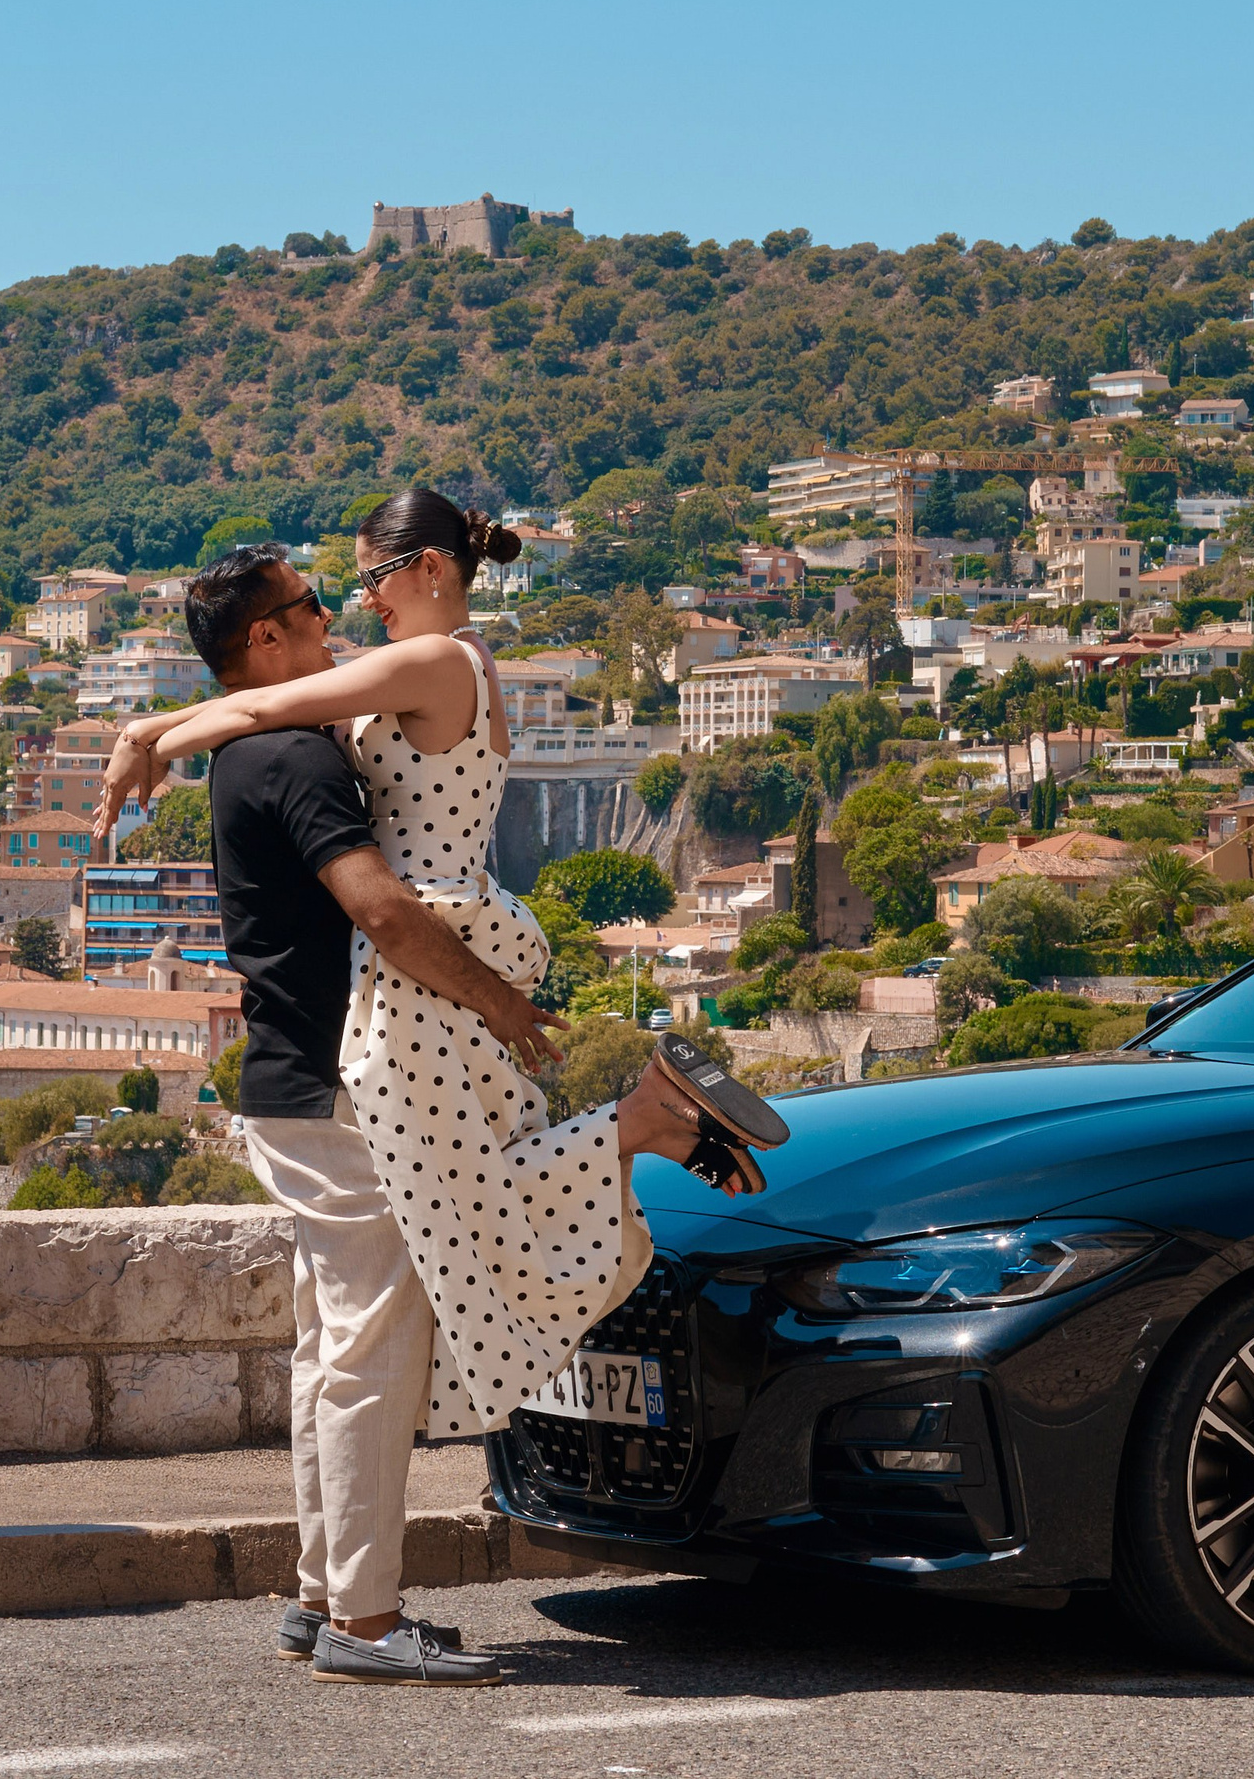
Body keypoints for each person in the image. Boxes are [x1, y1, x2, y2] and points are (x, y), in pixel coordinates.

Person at [101, 516, 781, 1687]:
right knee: (379, 1336)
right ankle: (363, 1623)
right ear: (267, 637)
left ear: (424, 571)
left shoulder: (285, 739)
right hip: (352, 1061)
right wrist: (507, 1008)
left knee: (337, 1346)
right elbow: (384, 910)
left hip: (289, 1076)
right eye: (319, 603)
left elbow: (253, 720)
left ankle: (328, 1599)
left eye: (356, 586)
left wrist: (147, 729)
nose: (343, 613)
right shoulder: (305, 751)